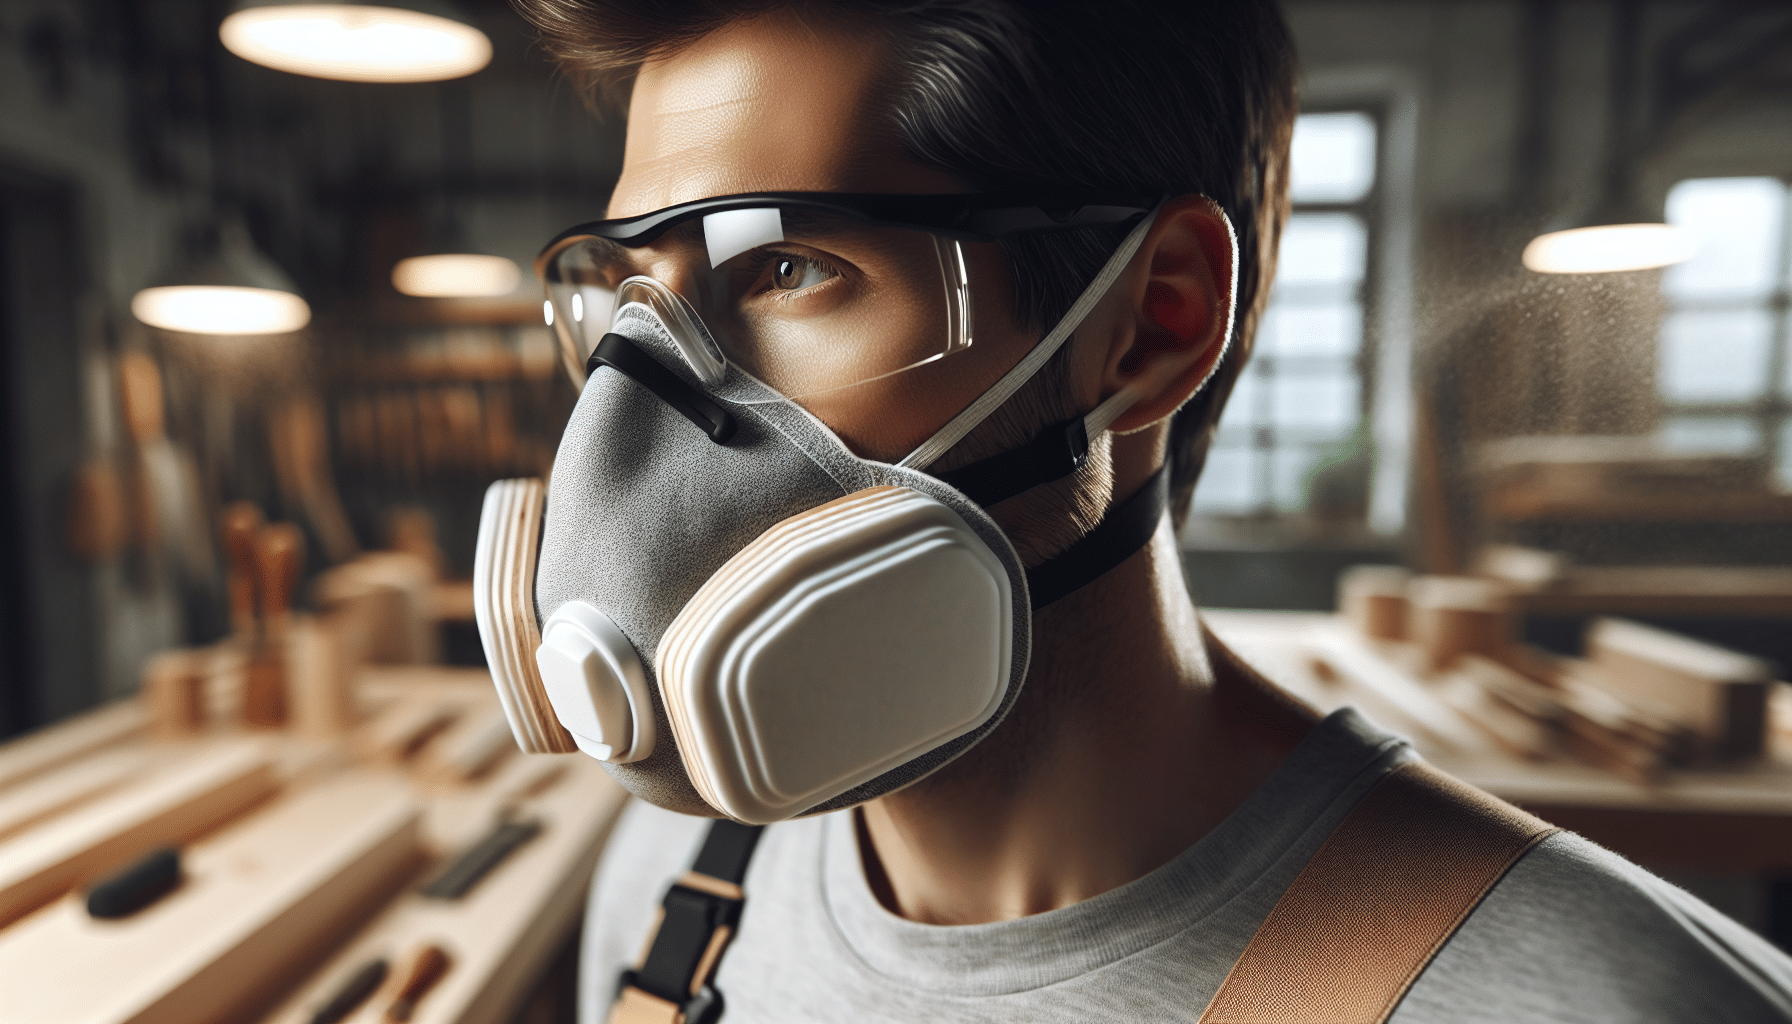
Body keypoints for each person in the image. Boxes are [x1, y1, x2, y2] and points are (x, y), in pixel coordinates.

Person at [507, 1, 1792, 1020]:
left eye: (786, 265)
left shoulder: (1600, 1001)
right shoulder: (673, 889)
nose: (638, 410)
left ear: (1151, 323)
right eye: (625, 291)